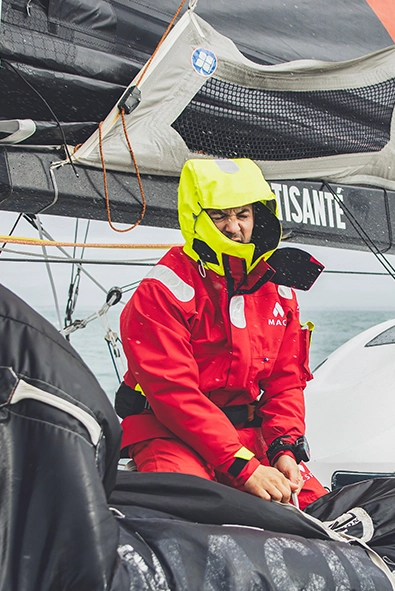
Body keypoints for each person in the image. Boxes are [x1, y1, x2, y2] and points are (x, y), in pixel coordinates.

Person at [116, 157, 328, 508]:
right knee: (194, 514)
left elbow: (285, 382)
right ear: (196, 218)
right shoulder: (164, 289)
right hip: (169, 433)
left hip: (245, 434)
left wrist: (285, 449)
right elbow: (174, 395)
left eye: (242, 215)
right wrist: (244, 468)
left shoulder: (279, 288)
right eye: (220, 216)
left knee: (313, 509)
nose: (234, 227)